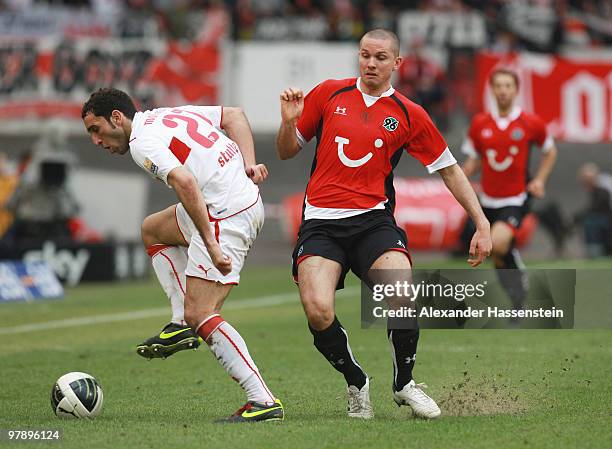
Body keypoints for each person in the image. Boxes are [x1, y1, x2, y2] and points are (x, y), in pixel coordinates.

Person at [276, 29, 491, 420]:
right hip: (321, 225)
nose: (371, 64)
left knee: (403, 293)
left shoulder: (409, 113)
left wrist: (481, 223)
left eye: (379, 57)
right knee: (318, 310)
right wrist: (289, 124)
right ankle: (357, 383)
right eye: (364, 56)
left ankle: (404, 384)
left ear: (397, 63)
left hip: (374, 223)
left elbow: (450, 170)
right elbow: (286, 151)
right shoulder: (329, 93)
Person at [81, 88, 283, 423]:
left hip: (224, 215)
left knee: (202, 313)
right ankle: (179, 324)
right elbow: (234, 114)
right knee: (153, 229)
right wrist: (249, 164)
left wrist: (211, 244)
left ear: (116, 118)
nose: (96, 141)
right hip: (238, 199)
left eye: (95, 130)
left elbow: (187, 183)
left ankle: (262, 400)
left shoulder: (141, 144)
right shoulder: (166, 114)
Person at [462, 68, 558, 311]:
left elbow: (550, 151)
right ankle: (517, 298)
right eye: (498, 86)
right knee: (497, 254)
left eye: (508, 86)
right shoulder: (479, 124)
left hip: (516, 197)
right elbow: (473, 159)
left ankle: (520, 277)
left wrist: (540, 180)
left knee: (497, 242)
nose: (503, 91)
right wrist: (461, 175)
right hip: (488, 199)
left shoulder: (530, 122)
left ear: (516, 90)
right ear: (492, 90)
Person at [576, 162, 612, 257]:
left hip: (608, 217)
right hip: (605, 215)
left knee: (592, 222)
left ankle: (595, 251)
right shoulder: (597, 186)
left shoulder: (604, 185)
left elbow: (600, 206)